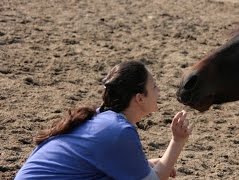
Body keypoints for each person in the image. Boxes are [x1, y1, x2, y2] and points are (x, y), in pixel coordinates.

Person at [15, 61, 193, 180]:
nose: (159, 91)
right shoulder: (118, 130)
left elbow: (100, 163)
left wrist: (149, 165)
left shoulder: (101, 118)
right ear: (139, 98)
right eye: (154, 86)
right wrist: (178, 141)